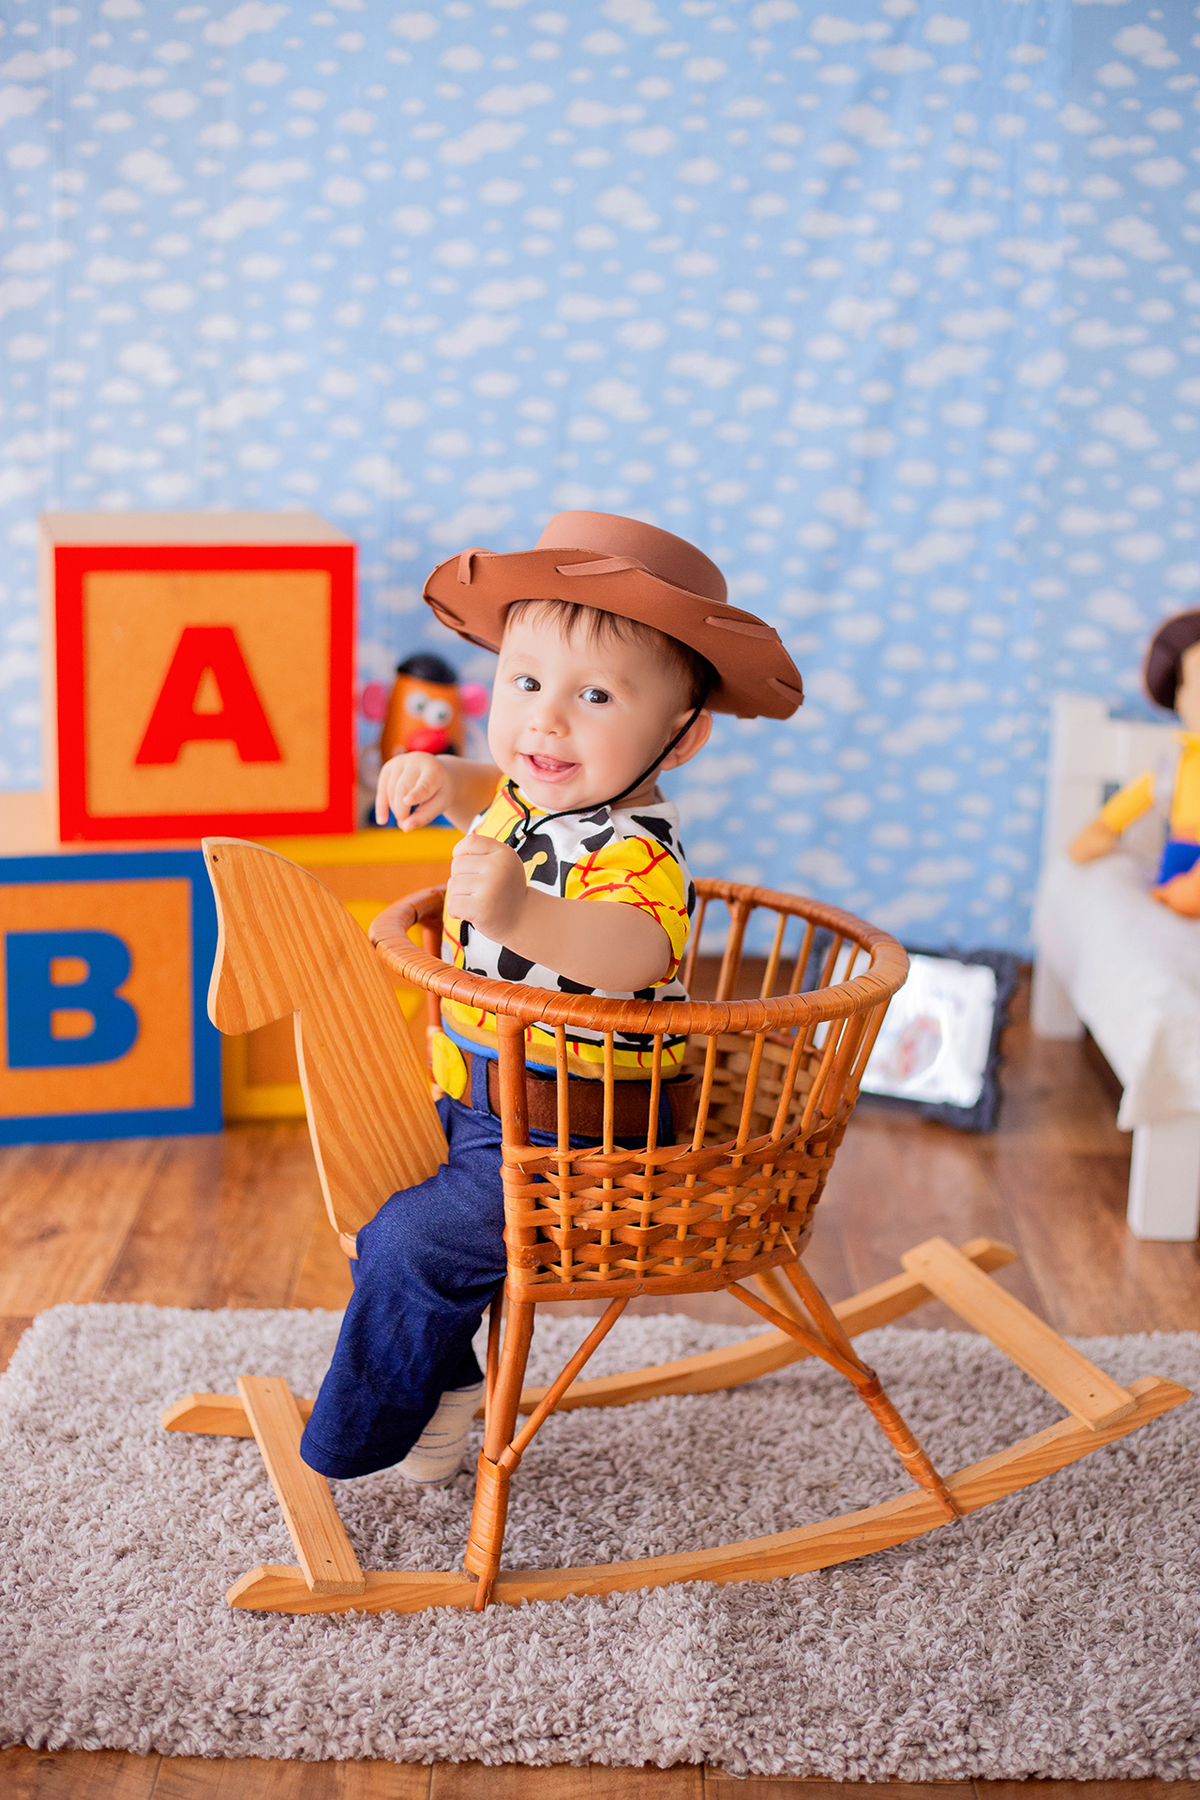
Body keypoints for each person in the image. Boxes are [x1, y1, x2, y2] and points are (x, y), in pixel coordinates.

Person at [299, 511, 804, 1485]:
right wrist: (439, 775)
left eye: (596, 696)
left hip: (582, 1137)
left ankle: (351, 1445)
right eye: (526, 682)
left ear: (681, 736)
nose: (547, 721)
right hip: (477, 1101)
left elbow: (626, 952)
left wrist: (522, 914)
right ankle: (448, 1382)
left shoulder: (639, 852)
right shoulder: (533, 793)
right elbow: (499, 784)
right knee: (370, 1197)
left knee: (408, 1240)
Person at [1070, 609, 1200, 916]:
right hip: (1185, 853)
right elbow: (1135, 797)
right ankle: (1179, 896)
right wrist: (1105, 826)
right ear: (1181, 697)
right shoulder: (1176, 762)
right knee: (1182, 890)